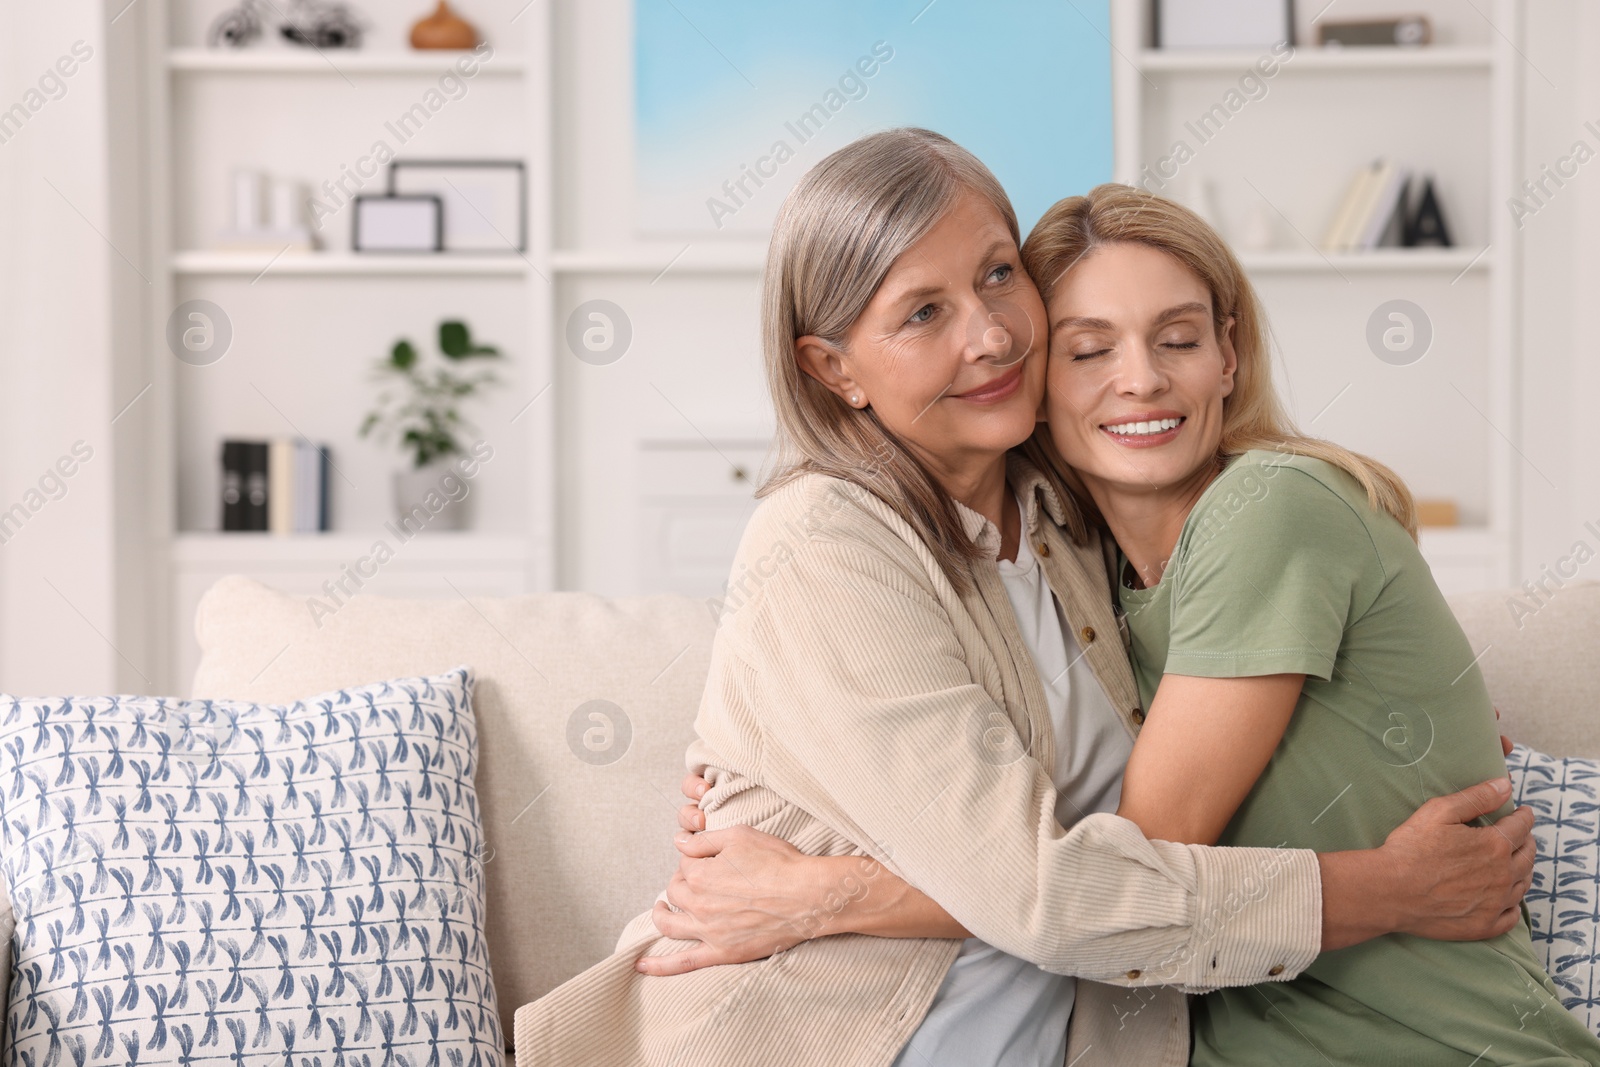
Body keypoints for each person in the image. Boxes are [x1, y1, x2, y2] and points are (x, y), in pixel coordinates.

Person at [512, 129, 1536, 1067]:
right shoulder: (823, 540)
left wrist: (827, 894)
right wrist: (1384, 887)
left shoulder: (1067, 520)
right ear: (833, 369)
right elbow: (1040, 890)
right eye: (924, 312)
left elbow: (1101, 836)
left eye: (999, 275)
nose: (993, 334)